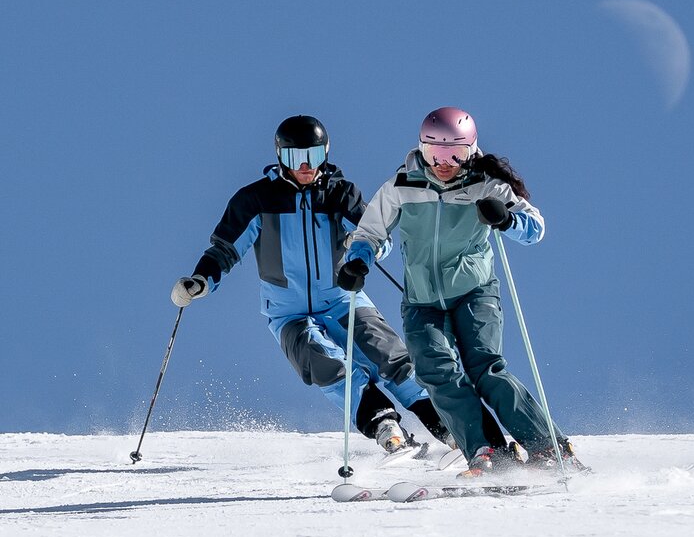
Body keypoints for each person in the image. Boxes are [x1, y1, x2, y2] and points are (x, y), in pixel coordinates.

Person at [169, 114, 457, 456]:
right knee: (324, 363)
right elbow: (226, 248)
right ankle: (385, 428)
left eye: (315, 156)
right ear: (280, 157)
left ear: (326, 154)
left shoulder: (339, 194)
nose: (306, 166)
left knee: (391, 356)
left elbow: (377, 236)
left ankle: (456, 433)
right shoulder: (258, 200)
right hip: (288, 311)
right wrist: (201, 280)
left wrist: (362, 251)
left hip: (342, 299)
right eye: (295, 158)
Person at [338, 107, 585, 477]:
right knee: (437, 374)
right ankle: (487, 453)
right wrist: (358, 260)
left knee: (486, 369)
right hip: (422, 301)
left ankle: (549, 449)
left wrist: (506, 217)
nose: (444, 163)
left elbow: (535, 229)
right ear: (422, 148)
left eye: (455, 153)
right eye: (435, 154)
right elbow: (370, 232)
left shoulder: (487, 184)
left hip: (474, 292)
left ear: (471, 150)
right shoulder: (401, 187)